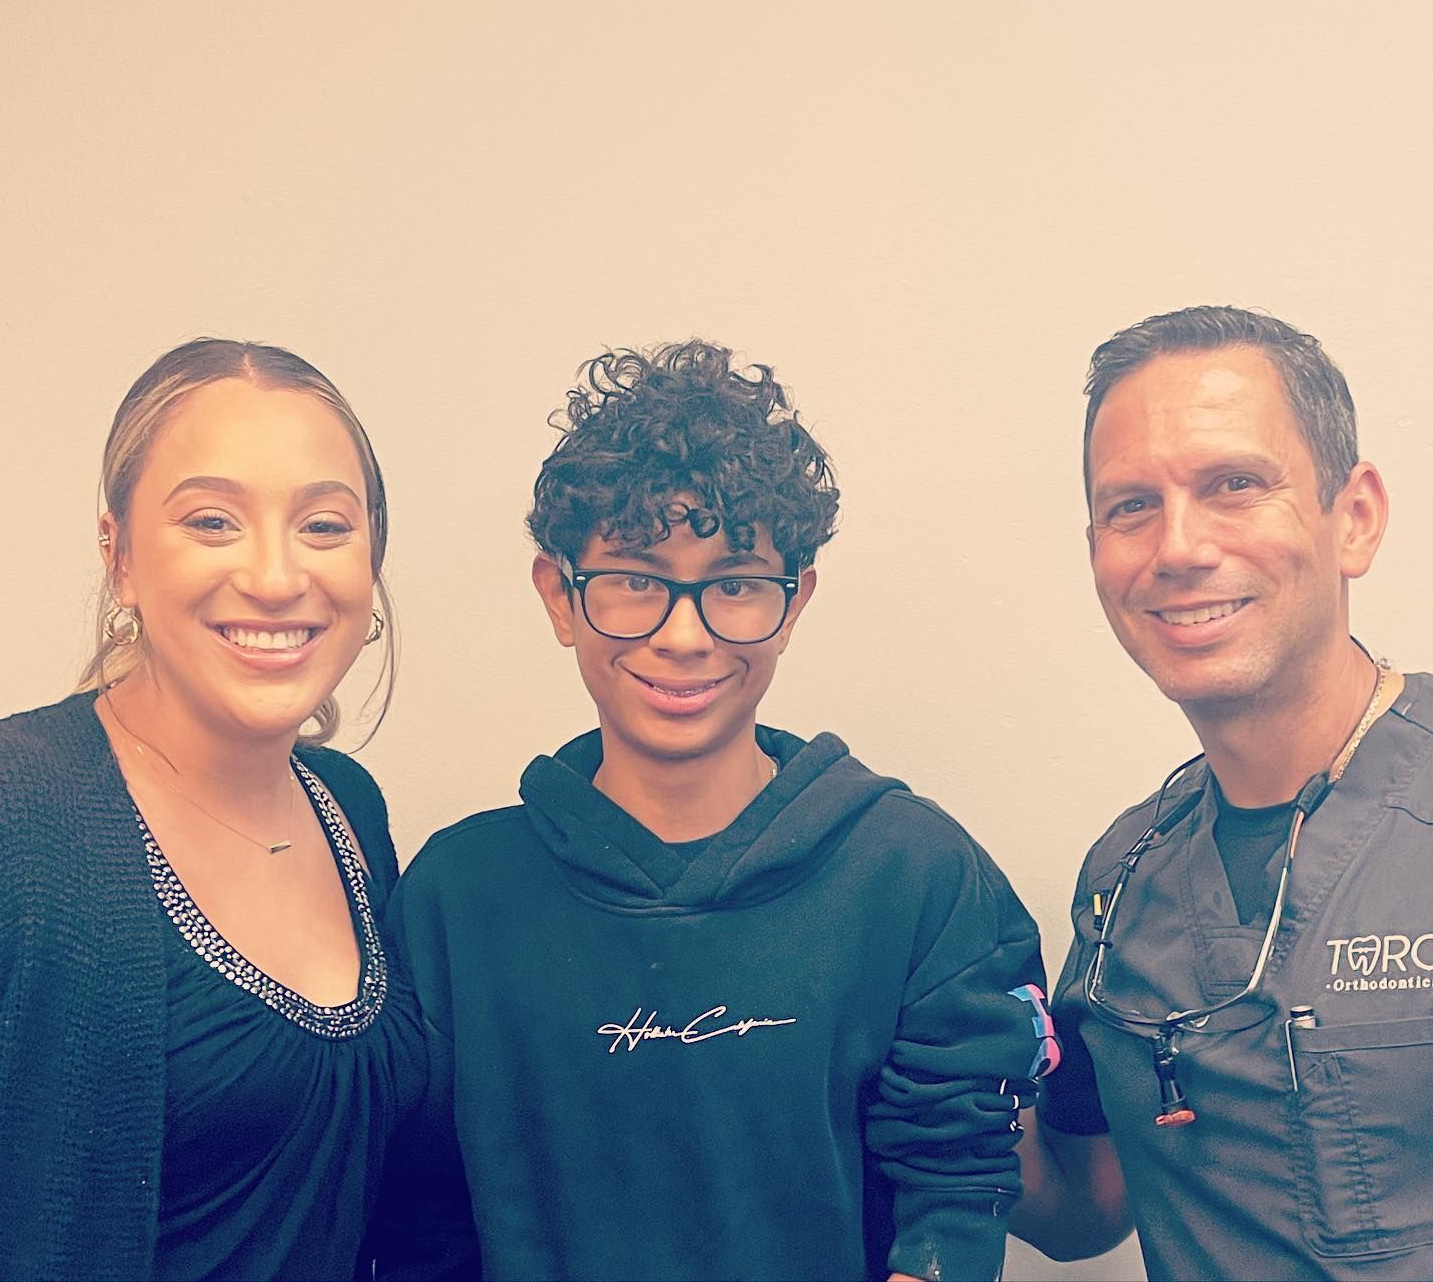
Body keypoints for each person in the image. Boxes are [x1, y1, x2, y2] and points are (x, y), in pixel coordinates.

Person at [373, 341, 1054, 1282]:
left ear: (794, 601)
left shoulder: (915, 876)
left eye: (734, 584)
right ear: (559, 596)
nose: (682, 636)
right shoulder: (457, 897)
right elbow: (417, 1219)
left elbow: (954, 1193)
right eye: (635, 580)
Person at [1011, 305, 1433, 1280]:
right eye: (1130, 506)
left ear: (1355, 517)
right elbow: (1086, 1206)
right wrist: (926, 1068)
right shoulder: (1126, 879)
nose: (1179, 548)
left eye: (1234, 486)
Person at [0, 340, 426, 1282]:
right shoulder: (13, 814)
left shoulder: (350, 810)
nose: (275, 577)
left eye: (322, 526)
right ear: (120, 555)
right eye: (213, 521)